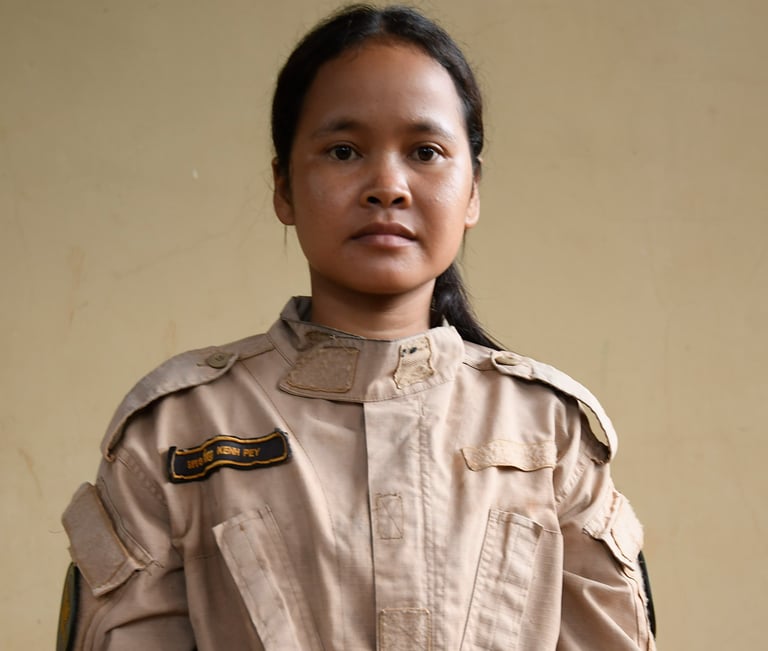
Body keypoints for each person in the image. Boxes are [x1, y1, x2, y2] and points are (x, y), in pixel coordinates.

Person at [57, 4, 656, 650]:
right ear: (284, 186)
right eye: (343, 151)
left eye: (425, 152)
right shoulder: (176, 433)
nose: (387, 186)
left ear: (473, 191)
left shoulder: (550, 433)